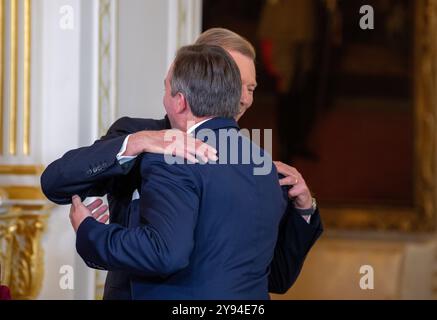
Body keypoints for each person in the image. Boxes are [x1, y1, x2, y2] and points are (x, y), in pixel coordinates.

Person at [41, 28, 323, 299]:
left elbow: (276, 277)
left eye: (250, 88)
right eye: (232, 81)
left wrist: (304, 209)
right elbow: (56, 183)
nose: (243, 99)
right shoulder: (137, 135)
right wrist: (137, 143)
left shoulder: (255, 162)